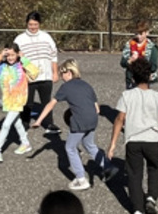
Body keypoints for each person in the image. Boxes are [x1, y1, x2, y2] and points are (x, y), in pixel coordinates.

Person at [32, 60, 113, 189]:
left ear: (68, 72)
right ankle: (108, 168)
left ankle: (81, 179)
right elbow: (97, 109)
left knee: (70, 147)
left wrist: (39, 121)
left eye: (61, 73)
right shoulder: (86, 85)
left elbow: (50, 104)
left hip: (80, 121)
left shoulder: (66, 87)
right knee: (89, 144)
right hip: (92, 119)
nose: (61, 76)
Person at [106, 56, 158, 214]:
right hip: (152, 139)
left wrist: (112, 144)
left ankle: (137, 208)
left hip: (133, 139)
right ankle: (151, 197)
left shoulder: (127, 95)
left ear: (132, 78)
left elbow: (120, 119)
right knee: (154, 168)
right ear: (150, 76)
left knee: (134, 174)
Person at [0, 43, 37, 162]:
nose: (10, 57)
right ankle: (25, 143)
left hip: (19, 100)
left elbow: (34, 72)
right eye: (8, 55)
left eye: (13, 55)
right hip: (8, 101)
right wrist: (0, 56)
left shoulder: (22, 66)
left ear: (18, 54)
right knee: (17, 122)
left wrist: (24, 59)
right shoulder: (2, 68)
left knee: (6, 125)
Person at [14, 12, 60, 135]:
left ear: (39, 24)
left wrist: (55, 72)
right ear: (26, 24)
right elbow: (15, 58)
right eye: (30, 24)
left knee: (46, 101)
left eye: (35, 24)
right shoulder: (20, 39)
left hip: (46, 75)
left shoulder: (46, 37)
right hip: (28, 77)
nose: (33, 27)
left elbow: (53, 56)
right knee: (27, 102)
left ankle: (49, 123)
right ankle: (24, 123)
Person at [120, 20, 158, 89]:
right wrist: (130, 60)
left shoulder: (152, 47)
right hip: (131, 79)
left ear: (147, 33)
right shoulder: (129, 45)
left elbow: (154, 66)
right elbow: (122, 63)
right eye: (136, 33)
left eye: (141, 34)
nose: (138, 36)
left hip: (146, 81)